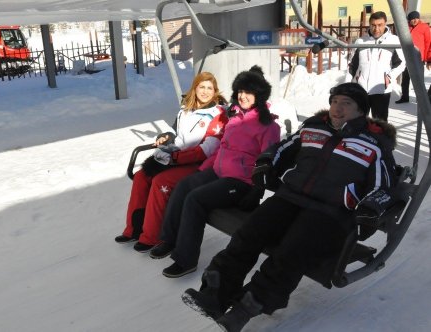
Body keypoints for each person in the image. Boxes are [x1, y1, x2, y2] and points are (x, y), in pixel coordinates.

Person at [182, 82, 398, 332]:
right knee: (249, 234)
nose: (337, 109)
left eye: (346, 104)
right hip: (290, 198)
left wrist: (370, 208)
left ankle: (246, 308)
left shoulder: (374, 144)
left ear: (361, 111)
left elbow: (385, 185)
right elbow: (280, 149)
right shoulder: (314, 128)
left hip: (331, 212)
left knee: (291, 252)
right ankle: (215, 293)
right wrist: (265, 163)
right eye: (334, 102)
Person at [149, 65, 281, 278]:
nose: (243, 96)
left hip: (240, 182)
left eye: (248, 92)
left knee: (195, 199)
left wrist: (257, 189)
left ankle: (185, 259)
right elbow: (221, 148)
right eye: (240, 91)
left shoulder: (268, 126)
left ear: (259, 95)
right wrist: (201, 171)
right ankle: (169, 239)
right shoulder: (235, 118)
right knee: (184, 186)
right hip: (218, 172)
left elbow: (270, 160)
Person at [115, 72, 228, 252]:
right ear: (195, 88)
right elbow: (175, 134)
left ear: (215, 91)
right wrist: (166, 137)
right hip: (177, 158)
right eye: (202, 87)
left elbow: (208, 149)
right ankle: (134, 229)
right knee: (141, 177)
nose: (205, 92)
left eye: (209, 88)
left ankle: (152, 236)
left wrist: (177, 158)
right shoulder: (185, 110)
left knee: (161, 182)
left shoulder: (218, 115)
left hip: (197, 163)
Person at [348, 11, 406, 121]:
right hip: (361, 89)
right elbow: (352, 64)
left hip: (381, 90)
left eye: (380, 25)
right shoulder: (360, 41)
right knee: (357, 121)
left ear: (385, 24)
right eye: (373, 25)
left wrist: (389, 77)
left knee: (380, 124)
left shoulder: (393, 41)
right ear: (369, 25)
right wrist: (352, 83)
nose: (376, 29)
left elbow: (401, 63)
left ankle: (379, 139)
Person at [396, 11, 431, 104]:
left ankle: (421, 98)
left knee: (419, 79)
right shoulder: (406, 27)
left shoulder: (425, 27)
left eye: (416, 18)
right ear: (409, 20)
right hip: (407, 57)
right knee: (405, 78)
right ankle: (405, 96)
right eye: (412, 19)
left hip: (419, 57)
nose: (414, 20)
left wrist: (428, 59)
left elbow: (428, 43)